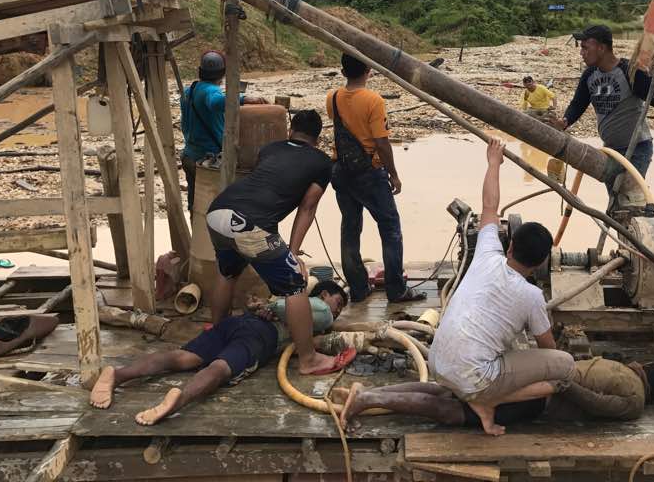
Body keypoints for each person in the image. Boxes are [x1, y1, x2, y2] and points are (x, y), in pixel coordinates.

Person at [427, 139, 575, 436]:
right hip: (473, 379)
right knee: (566, 368)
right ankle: (490, 399)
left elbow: (489, 206)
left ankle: (483, 393)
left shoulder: (485, 252)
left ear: (509, 246)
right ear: (541, 263)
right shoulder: (532, 296)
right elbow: (548, 349)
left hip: (436, 363)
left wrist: (494, 162)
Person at [205, 109, 351, 376]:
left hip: (218, 212)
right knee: (295, 283)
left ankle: (218, 334)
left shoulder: (270, 149)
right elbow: (307, 208)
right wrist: (293, 254)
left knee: (228, 272)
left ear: (290, 130)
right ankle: (309, 359)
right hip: (250, 223)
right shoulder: (321, 163)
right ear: (317, 139)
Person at [88, 281, 348, 425]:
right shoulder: (317, 309)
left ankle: (118, 375)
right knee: (221, 368)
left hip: (234, 323)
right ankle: (180, 400)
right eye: (337, 304)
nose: (335, 313)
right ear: (324, 294)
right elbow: (318, 317)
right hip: (260, 336)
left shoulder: (290, 304)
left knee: (182, 357)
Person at [335, 357, 654, 430]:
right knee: (456, 412)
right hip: (541, 396)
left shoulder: (624, 365)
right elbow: (596, 405)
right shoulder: (636, 402)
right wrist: (564, 386)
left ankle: (370, 392)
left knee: (449, 390)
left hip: (534, 368)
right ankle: (367, 400)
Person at [326, 54, 425, 305]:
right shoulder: (373, 100)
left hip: (342, 171)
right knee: (390, 229)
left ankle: (358, 289)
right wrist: (393, 174)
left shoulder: (333, 98)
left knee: (350, 228)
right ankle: (396, 289)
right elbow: (381, 141)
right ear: (369, 70)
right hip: (369, 173)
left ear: (343, 71)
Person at [554, 25, 654, 189]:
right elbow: (578, 104)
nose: (581, 52)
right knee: (616, 197)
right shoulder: (589, 75)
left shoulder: (629, 71)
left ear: (601, 48)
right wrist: (564, 121)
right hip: (611, 150)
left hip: (636, 149)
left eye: (585, 47)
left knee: (628, 196)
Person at [180, 50, 268, 211]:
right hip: (208, 160)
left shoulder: (189, 90)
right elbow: (215, 102)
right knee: (216, 208)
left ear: (200, 71)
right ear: (222, 74)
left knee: (196, 206)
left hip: (189, 156)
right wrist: (244, 99)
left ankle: (197, 235)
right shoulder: (211, 91)